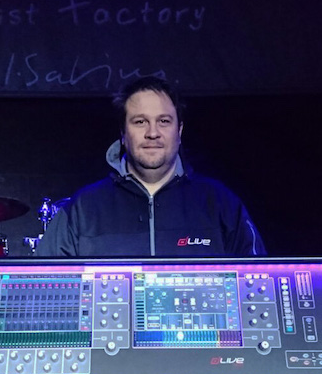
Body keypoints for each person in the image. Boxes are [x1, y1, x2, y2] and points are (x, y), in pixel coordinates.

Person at [35, 76, 266, 257]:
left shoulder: (221, 204)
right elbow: (45, 290)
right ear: (123, 133)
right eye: (140, 122)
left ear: (179, 131)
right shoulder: (81, 210)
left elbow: (258, 284)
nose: (152, 133)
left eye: (164, 121)